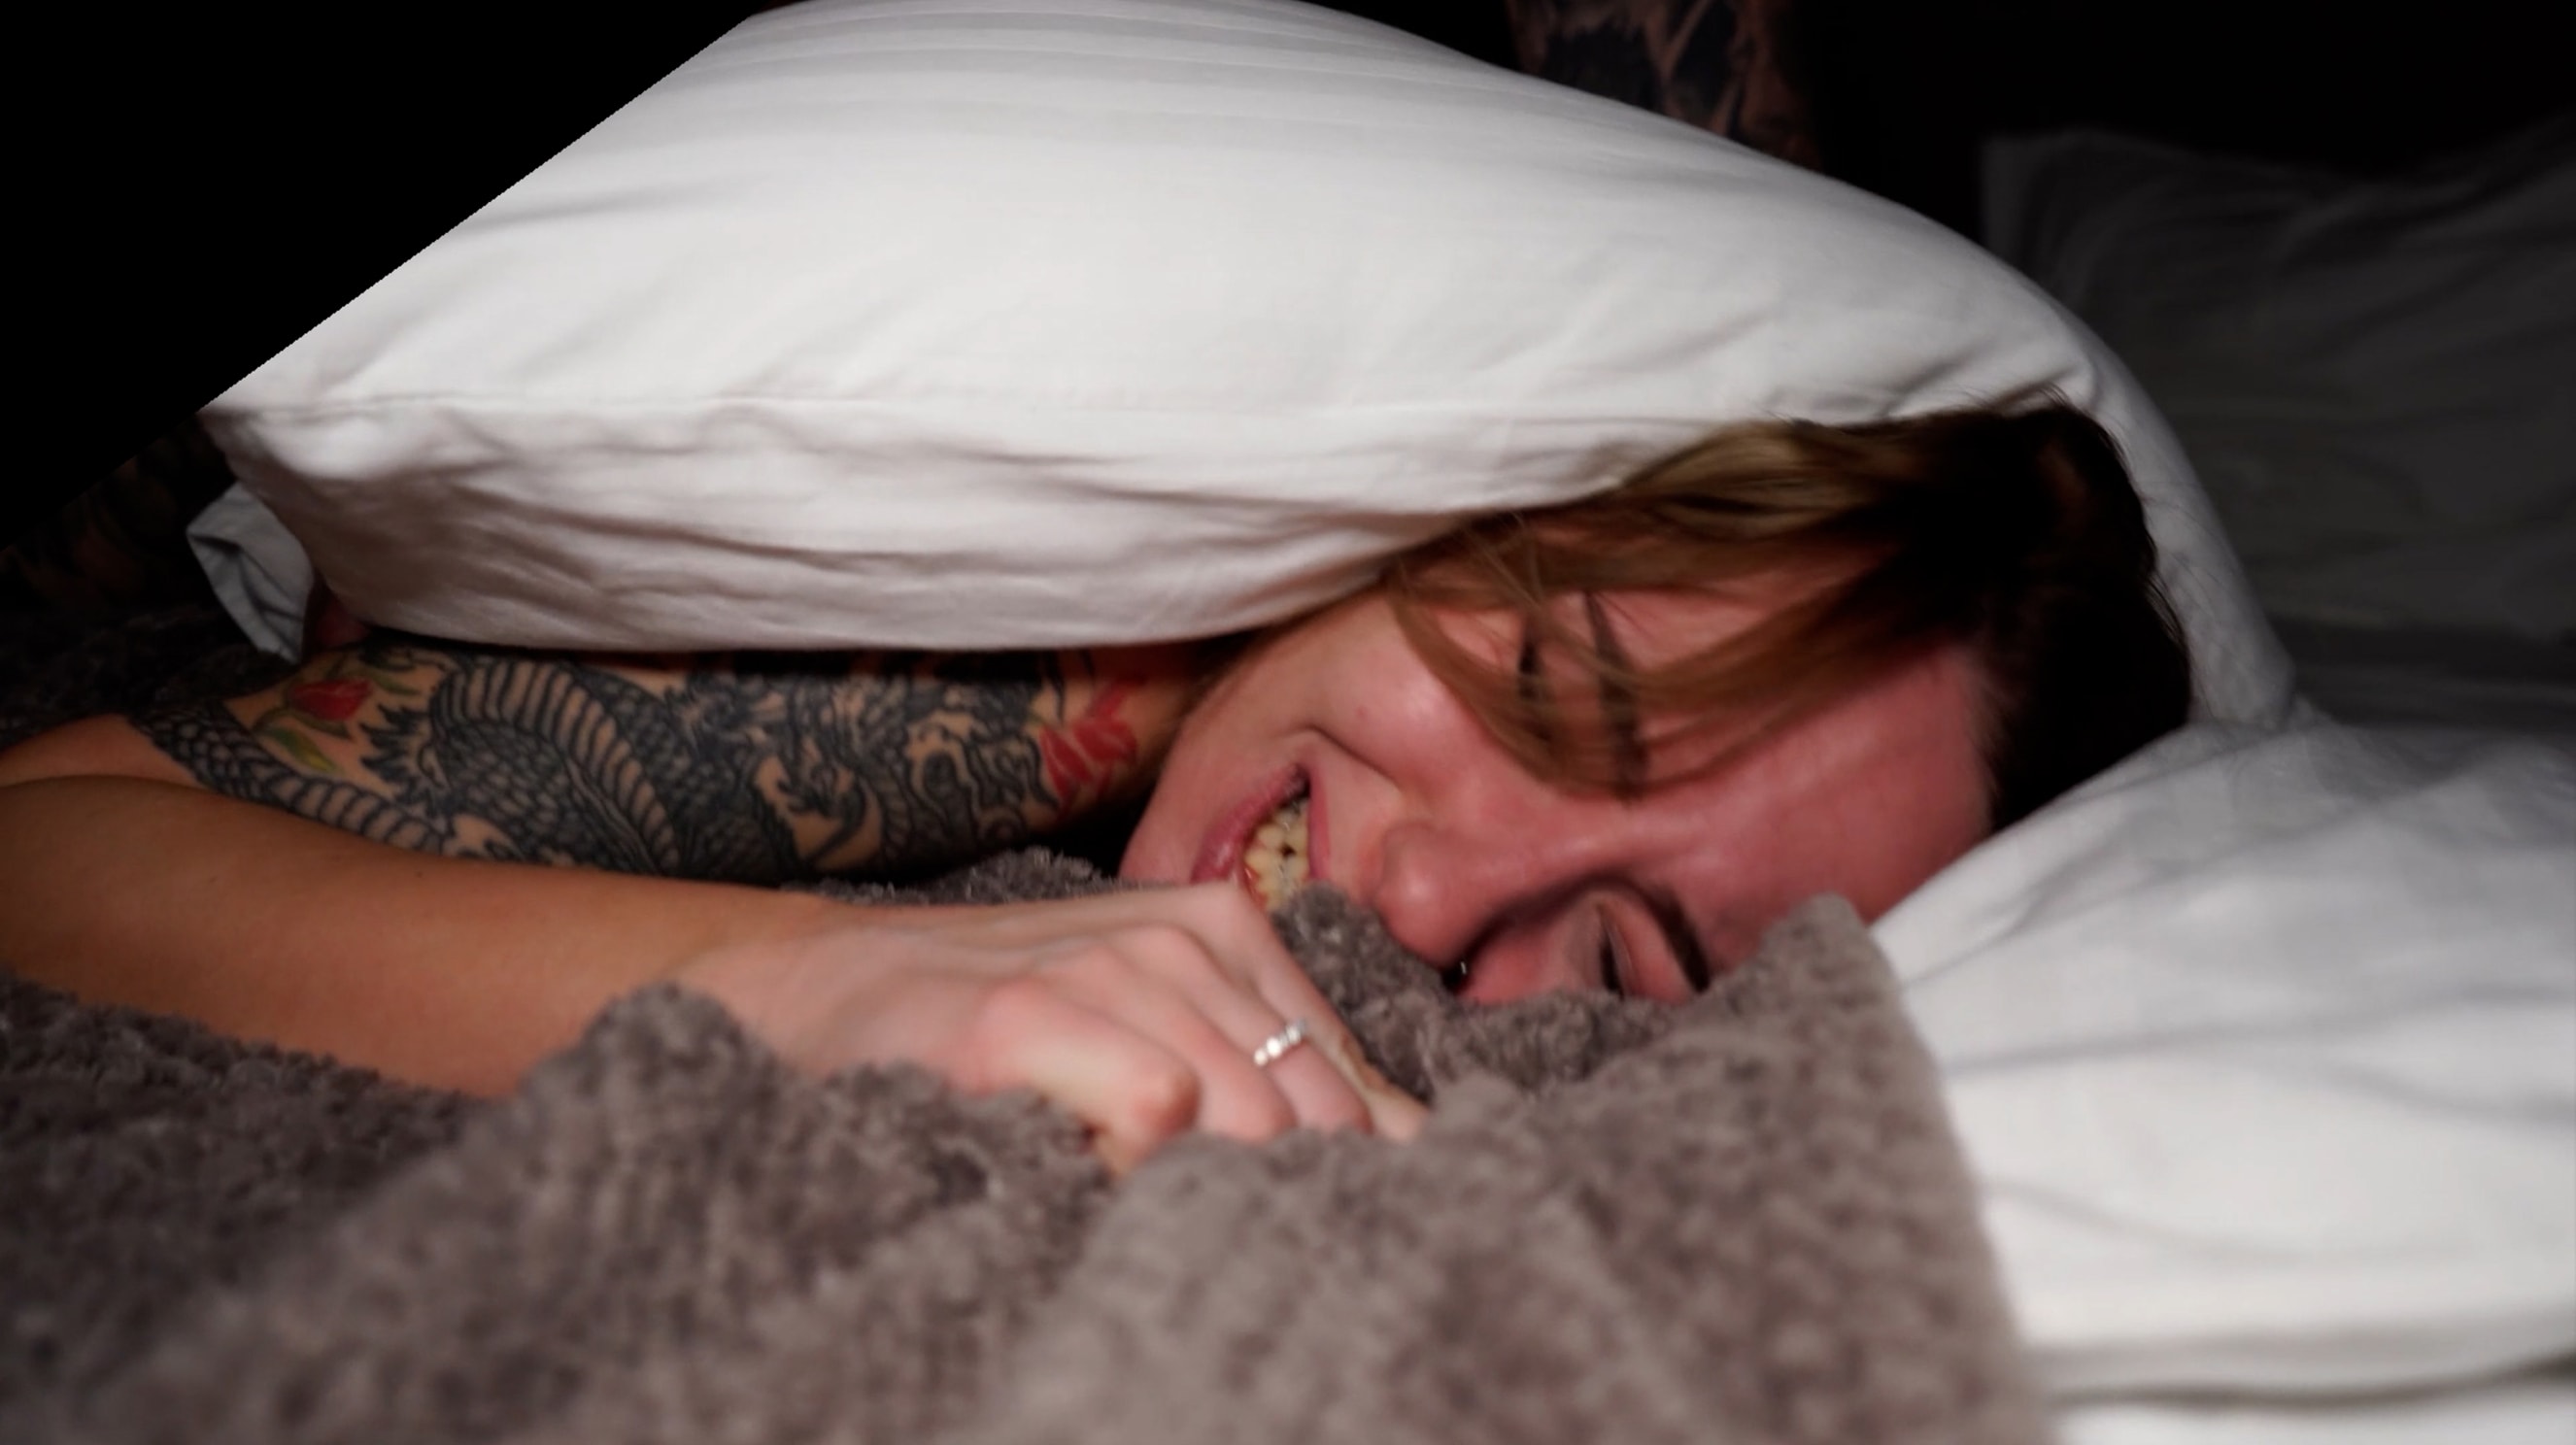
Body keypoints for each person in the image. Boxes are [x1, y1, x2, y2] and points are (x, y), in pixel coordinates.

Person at [0, 401, 2190, 1171]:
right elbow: (37, 837)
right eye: (1548, 695)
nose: (1437, 902)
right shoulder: (1043, 670)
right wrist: (818, 986)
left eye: (1617, 959)